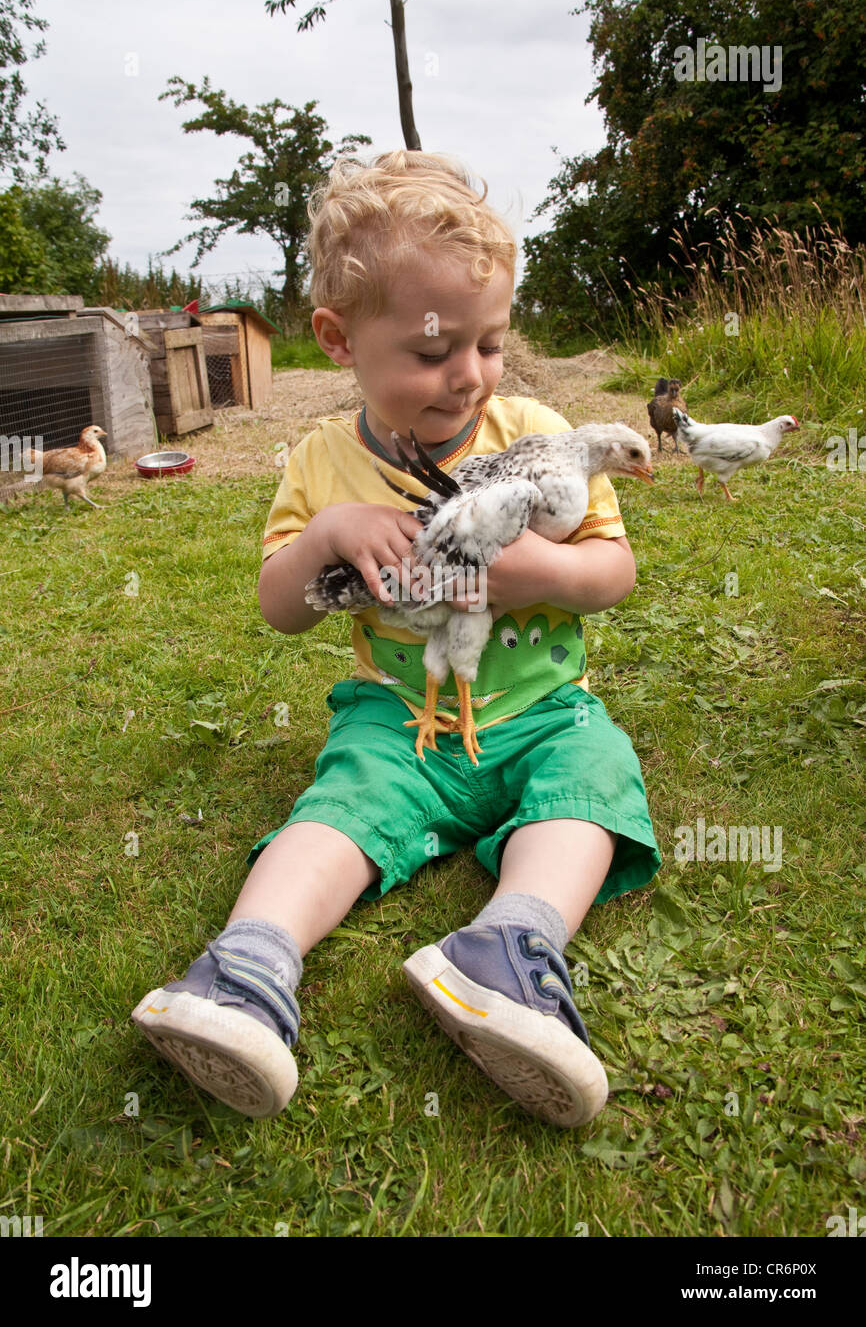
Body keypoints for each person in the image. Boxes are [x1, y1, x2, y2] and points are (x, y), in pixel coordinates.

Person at [133, 150, 661, 1128]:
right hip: (399, 721)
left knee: (594, 779)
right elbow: (278, 605)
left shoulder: (537, 429)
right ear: (338, 340)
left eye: (488, 343)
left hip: (540, 709)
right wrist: (329, 536)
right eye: (429, 352)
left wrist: (537, 573)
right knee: (338, 810)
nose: (466, 375)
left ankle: (506, 947)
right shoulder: (323, 463)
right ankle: (246, 967)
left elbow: (612, 572)